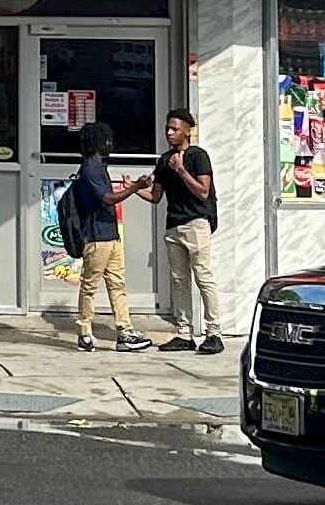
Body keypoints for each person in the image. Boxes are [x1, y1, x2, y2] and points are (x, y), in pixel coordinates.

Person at [149, 108, 226, 357]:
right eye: (167, 128)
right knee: (179, 280)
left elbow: (203, 192)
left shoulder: (198, 156)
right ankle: (184, 333)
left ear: (187, 131)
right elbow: (155, 196)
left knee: (203, 276)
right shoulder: (164, 160)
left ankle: (214, 333)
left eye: (175, 128)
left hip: (197, 223)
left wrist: (181, 170)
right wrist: (133, 188)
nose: (170, 133)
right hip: (173, 225)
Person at [65, 127, 146, 353]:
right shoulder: (90, 169)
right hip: (96, 237)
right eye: (106, 140)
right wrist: (136, 188)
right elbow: (108, 199)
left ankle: (124, 332)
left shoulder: (99, 167)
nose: (110, 143)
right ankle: (84, 332)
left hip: (110, 234)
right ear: (96, 143)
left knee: (117, 284)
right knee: (90, 285)